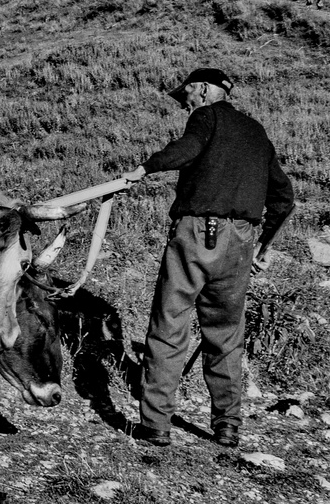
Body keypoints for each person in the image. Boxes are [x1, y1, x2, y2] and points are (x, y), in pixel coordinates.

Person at [121, 68, 295, 449]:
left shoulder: (206, 117)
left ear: (201, 90)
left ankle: (156, 426)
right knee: (226, 335)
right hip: (240, 241)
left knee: (170, 324)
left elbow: (188, 149)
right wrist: (261, 248)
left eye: (185, 95)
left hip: (198, 233)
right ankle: (228, 427)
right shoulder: (256, 131)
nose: (184, 102)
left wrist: (144, 168)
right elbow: (284, 198)